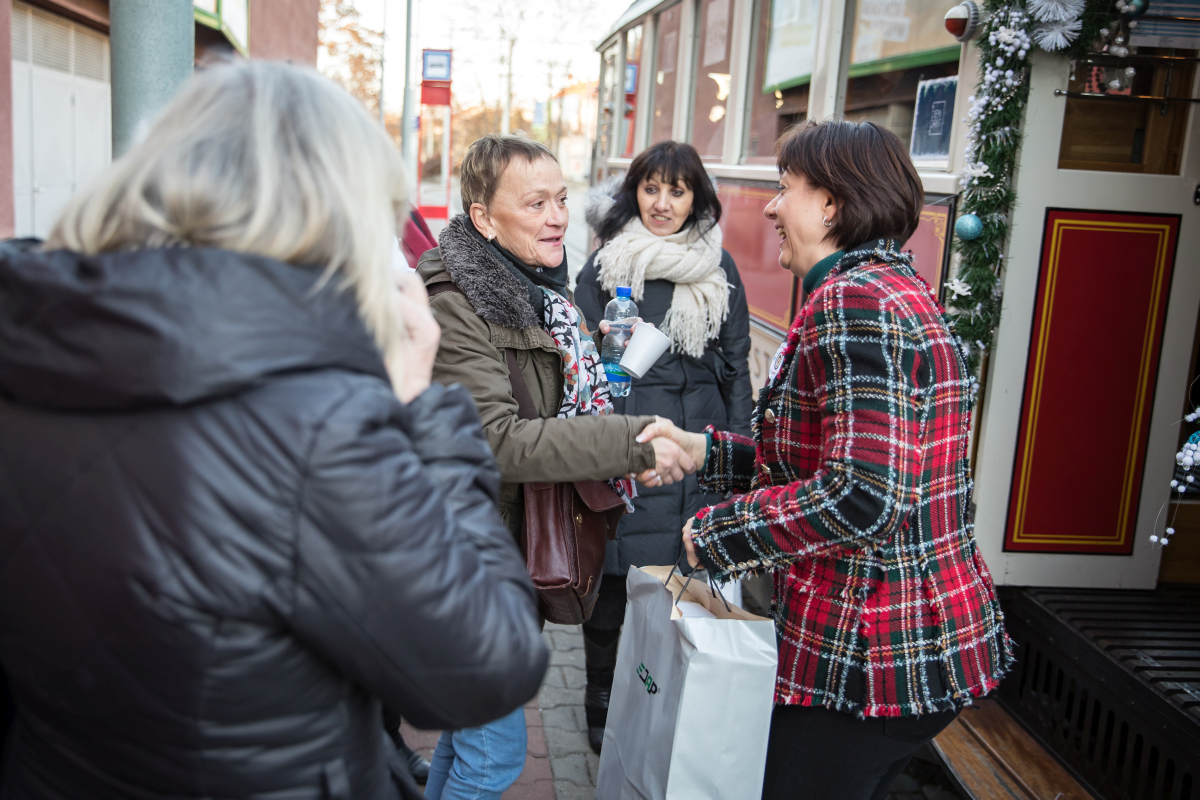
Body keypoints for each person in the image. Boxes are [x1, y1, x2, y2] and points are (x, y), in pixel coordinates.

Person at [0, 62, 548, 800]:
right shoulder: (316, 423)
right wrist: (421, 407)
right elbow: (489, 669)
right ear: (341, 215)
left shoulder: (28, 344)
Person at [643, 120, 1012, 800]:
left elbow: (863, 496)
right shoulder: (886, 287)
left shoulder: (855, 301)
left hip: (877, 649)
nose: (773, 209)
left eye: (786, 190)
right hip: (902, 635)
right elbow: (823, 462)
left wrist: (718, 534)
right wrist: (703, 450)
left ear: (833, 205)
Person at [416, 133, 696, 800]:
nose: (556, 217)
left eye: (562, 199)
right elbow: (501, 442)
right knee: (493, 756)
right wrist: (630, 442)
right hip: (468, 560)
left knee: (468, 741)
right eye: (535, 202)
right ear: (483, 218)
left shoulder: (537, 290)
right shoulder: (460, 299)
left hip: (499, 551)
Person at [574, 140, 753, 753]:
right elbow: (579, 368)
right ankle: (599, 697)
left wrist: (737, 452)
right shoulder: (603, 267)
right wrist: (597, 344)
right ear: (634, 193)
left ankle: (664, 702)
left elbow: (735, 368)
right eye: (651, 188)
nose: (662, 202)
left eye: (677, 191)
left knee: (675, 584)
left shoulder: (719, 268)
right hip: (626, 443)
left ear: (696, 199)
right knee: (613, 582)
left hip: (693, 449)